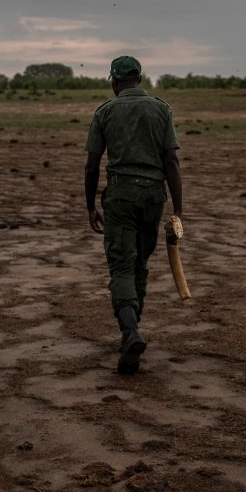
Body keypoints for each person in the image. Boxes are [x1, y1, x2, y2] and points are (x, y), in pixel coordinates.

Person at [84, 55, 183, 375]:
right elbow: (171, 162)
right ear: (139, 79)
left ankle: (129, 332)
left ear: (114, 81)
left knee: (122, 264)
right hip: (153, 196)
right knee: (139, 260)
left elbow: (92, 164)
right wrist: (178, 209)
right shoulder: (161, 109)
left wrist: (89, 205)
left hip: (120, 196)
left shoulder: (105, 111)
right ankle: (133, 325)